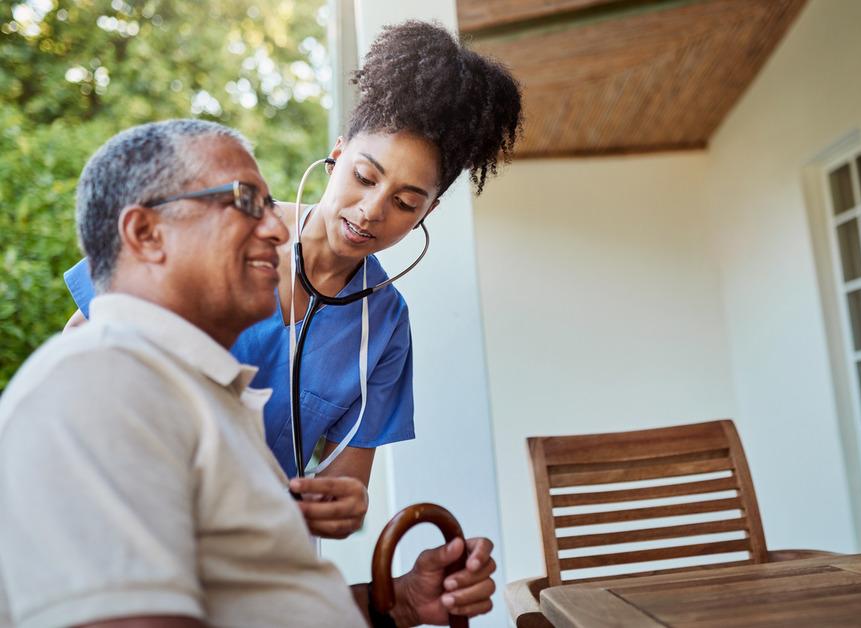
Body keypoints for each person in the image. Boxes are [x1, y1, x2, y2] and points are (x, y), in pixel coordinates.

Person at [0, 119, 496, 627]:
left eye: (406, 202)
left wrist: (397, 601)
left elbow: (258, 603)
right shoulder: (97, 388)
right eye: (245, 203)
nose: (278, 229)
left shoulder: (238, 415)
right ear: (147, 235)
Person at [62, 20, 523, 540]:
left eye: (404, 203)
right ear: (336, 155)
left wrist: (345, 508)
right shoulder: (217, 223)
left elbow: (345, 488)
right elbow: (76, 354)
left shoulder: (385, 328)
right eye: (365, 177)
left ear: (428, 211)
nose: (371, 211)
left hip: (248, 558)